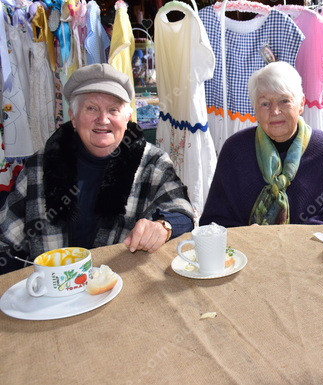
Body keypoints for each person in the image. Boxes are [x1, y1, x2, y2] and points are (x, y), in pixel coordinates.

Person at [0, 63, 194, 273]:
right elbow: (6, 239)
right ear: (73, 117)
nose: (103, 120)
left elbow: (182, 211)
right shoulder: (40, 165)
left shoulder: (152, 162)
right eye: (91, 108)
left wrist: (163, 226)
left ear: (127, 117)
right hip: (50, 287)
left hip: (119, 284)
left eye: (113, 110)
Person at [200, 61, 323, 226]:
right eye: (265, 104)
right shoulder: (235, 150)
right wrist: (245, 234)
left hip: (305, 243)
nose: (275, 112)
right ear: (254, 109)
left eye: (284, 101)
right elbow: (213, 220)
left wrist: (284, 237)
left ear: (301, 104)